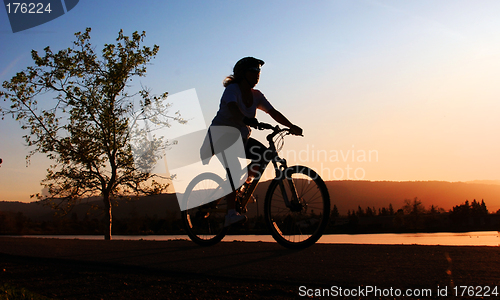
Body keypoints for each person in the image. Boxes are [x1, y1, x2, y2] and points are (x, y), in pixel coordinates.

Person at [209, 57, 302, 226]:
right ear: (242, 74)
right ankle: (230, 213)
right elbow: (232, 107)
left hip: (240, 139)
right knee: (234, 168)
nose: (257, 75)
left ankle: (243, 184)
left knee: (265, 155)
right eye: (253, 71)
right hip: (220, 136)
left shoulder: (257, 96)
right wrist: (246, 119)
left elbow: (273, 112)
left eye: (259, 72)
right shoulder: (232, 89)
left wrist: (291, 126)